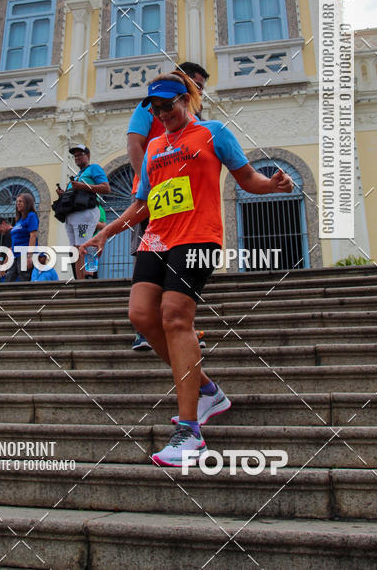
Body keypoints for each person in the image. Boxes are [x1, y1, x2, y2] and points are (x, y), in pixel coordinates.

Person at [81, 70, 293, 467]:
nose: (163, 115)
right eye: (155, 110)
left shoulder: (213, 133)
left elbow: (247, 178)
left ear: (186, 100)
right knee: (141, 316)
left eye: (168, 106)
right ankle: (207, 389)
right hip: (157, 238)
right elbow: (143, 203)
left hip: (198, 236)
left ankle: (190, 432)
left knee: (175, 316)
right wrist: (106, 232)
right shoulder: (154, 147)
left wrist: (272, 185)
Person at [127, 62, 209, 351]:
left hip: (184, 199)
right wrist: (148, 185)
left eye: (202, 88)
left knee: (181, 261)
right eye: (196, 84)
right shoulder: (151, 106)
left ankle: (182, 327)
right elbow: (134, 144)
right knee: (150, 255)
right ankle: (145, 330)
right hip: (153, 195)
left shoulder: (193, 116)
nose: (199, 91)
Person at [55, 145, 110, 280]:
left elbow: (106, 188)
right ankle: (79, 280)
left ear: (88, 156)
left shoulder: (94, 168)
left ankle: (89, 275)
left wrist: (82, 186)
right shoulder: (78, 175)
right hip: (72, 215)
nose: (77, 158)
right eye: (75, 156)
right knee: (75, 249)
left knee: (85, 245)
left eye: (80, 154)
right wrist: (63, 194)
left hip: (85, 213)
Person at [0, 192, 39, 282]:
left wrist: (30, 256)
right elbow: (13, 243)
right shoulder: (19, 220)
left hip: (24, 255)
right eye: (17, 202)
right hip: (15, 256)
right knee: (8, 282)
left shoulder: (31, 216)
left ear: (27, 203)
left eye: (20, 201)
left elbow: (33, 236)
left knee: (23, 282)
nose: (18, 203)